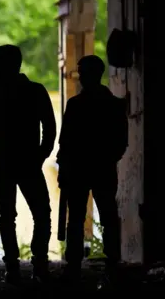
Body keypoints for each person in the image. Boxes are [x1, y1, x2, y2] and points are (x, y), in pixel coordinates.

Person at [0, 44, 56, 284]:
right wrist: (40, 155)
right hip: (29, 162)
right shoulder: (36, 92)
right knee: (41, 213)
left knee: (7, 216)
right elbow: (49, 128)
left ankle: (12, 266)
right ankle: (39, 264)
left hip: (5, 164)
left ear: (10, 64)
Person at [57, 55, 127, 287]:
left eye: (82, 72)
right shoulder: (114, 105)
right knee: (107, 217)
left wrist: (65, 166)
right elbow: (120, 142)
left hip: (79, 169)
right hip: (103, 169)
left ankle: (75, 266)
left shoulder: (76, 105)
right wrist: (106, 160)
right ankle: (112, 265)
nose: (82, 77)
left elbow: (65, 141)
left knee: (76, 218)